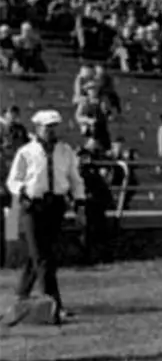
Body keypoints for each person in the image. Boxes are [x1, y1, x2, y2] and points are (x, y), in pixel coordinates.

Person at [4, 110, 86, 326]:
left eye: (54, 126)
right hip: (33, 206)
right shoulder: (26, 152)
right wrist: (22, 192)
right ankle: (54, 305)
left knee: (40, 254)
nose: (51, 131)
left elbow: (75, 178)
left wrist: (79, 201)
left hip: (55, 205)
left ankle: (21, 297)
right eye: (47, 127)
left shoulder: (65, 151)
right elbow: (13, 180)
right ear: (37, 127)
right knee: (43, 257)